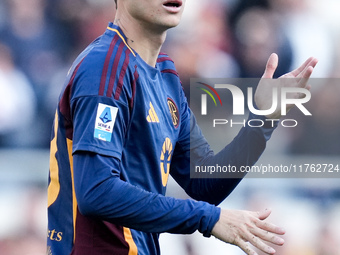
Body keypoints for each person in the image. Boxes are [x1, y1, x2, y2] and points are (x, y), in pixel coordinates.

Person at [46, 0, 318, 254]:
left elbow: (203, 184)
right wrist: (209, 218)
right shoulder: (105, 65)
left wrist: (263, 120)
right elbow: (96, 192)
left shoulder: (164, 75)